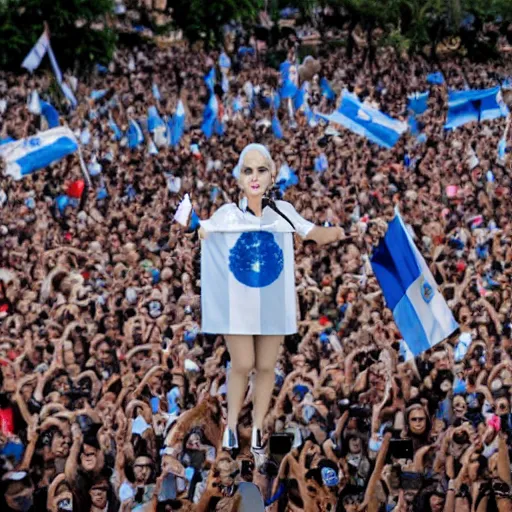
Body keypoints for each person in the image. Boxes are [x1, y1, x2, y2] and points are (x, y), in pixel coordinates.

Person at [198, 143, 345, 466]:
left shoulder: (283, 211)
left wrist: (340, 231)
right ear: (238, 177)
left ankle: (258, 426)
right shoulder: (227, 213)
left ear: (272, 175)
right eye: (248, 170)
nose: (254, 177)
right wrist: (194, 227)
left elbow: (312, 234)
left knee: (266, 367)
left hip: (272, 302)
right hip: (238, 304)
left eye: (261, 169)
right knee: (242, 363)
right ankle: (232, 424)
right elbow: (205, 232)